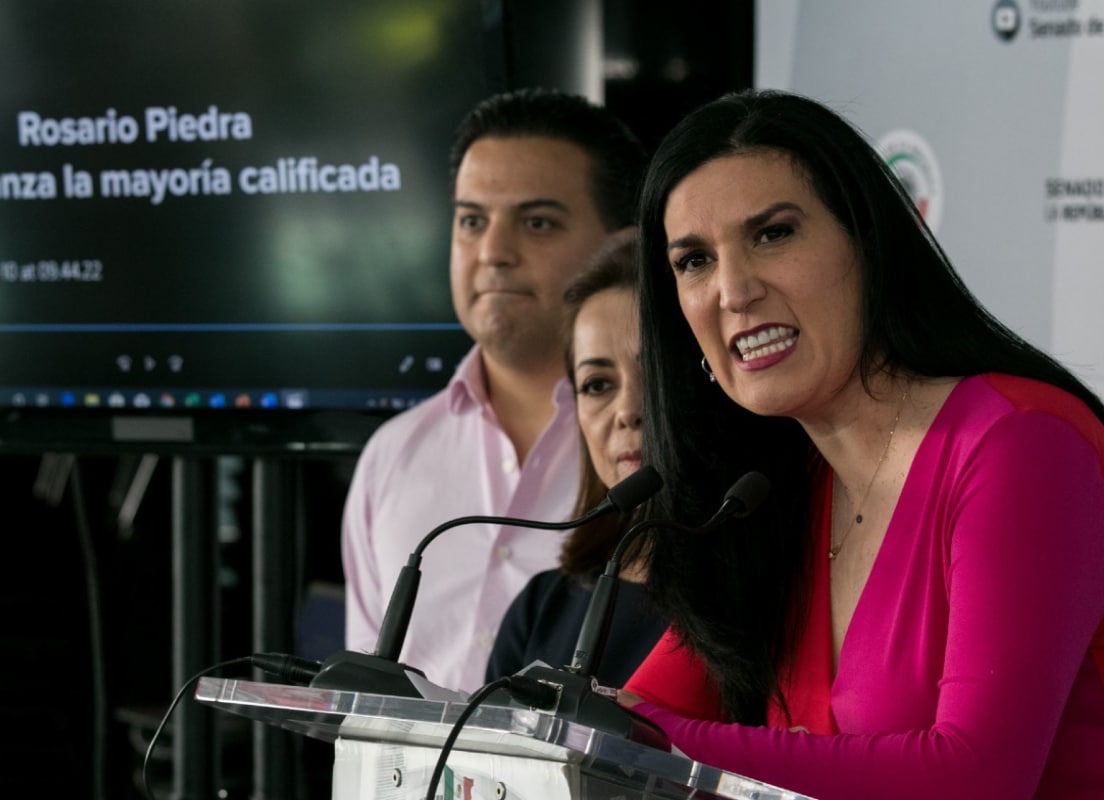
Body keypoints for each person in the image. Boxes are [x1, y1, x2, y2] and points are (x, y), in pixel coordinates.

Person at [615, 88, 1104, 799]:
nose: (733, 289)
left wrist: (656, 745)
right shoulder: (769, 492)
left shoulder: (1021, 444)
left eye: (773, 234)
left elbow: (978, 778)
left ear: (868, 243)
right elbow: (633, 715)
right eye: (693, 261)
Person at [341, 87, 647, 692]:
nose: (493, 253)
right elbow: (360, 712)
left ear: (621, 245)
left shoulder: (646, 448)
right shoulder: (393, 453)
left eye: (537, 222)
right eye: (472, 221)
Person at [485, 230, 665, 689]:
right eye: (598, 385)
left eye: (657, 375)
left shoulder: (770, 605)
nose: (628, 411)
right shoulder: (541, 606)